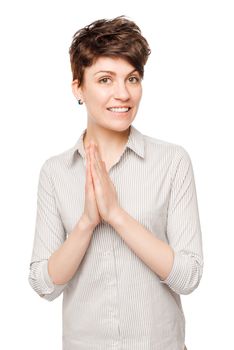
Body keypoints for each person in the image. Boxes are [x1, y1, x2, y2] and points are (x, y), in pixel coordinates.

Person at [28, 15, 203, 350]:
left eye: (132, 79)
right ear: (78, 87)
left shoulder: (172, 162)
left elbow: (189, 277)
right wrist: (86, 223)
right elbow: (44, 285)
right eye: (105, 79)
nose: (123, 94)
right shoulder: (55, 172)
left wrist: (117, 215)